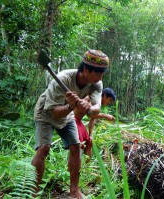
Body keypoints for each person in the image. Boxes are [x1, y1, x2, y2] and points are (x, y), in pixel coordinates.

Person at [32, 49, 110, 198]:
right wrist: (70, 106)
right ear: (86, 69)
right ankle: (32, 191)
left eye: (102, 74)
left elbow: (97, 107)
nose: (100, 77)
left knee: (76, 146)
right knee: (44, 148)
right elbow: (54, 112)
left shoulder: (96, 84)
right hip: (46, 113)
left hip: (67, 115)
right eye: (98, 73)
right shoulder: (62, 79)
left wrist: (89, 107)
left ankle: (74, 190)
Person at [74, 87, 116, 157]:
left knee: (89, 143)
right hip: (73, 120)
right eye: (109, 100)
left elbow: (93, 119)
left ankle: (87, 166)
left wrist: (90, 134)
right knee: (80, 145)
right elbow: (90, 114)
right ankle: (77, 165)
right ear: (105, 95)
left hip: (79, 122)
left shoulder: (98, 104)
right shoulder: (93, 97)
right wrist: (105, 116)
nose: (109, 102)